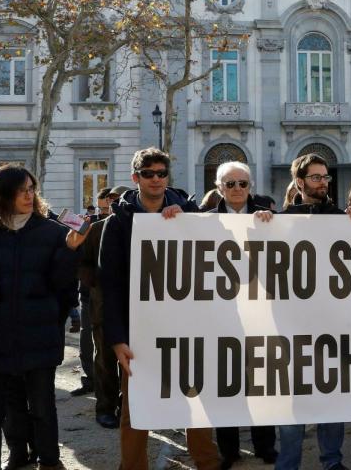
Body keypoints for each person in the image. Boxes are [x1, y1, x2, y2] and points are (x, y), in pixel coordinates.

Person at [99, 148, 221, 470]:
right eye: (148, 173)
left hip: (188, 330)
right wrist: (116, 339)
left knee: (197, 406)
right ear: (135, 177)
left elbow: (221, 255)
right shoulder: (117, 224)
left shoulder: (190, 214)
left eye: (161, 173)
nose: (156, 179)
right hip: (139, 334)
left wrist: (186, 225)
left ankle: (207, 464)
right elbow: (108, 287)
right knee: (136, 410)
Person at [0, 165, 87, 470]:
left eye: (31, 188)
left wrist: (70, 252)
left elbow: (63, 287)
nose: (29, 195)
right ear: (2, 194)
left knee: (42, 407)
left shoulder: (53, 231)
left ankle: (50, 462)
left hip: (39, 335)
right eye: (22, 189)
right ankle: (13, 458)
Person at [277, 153, 351, 470]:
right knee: (293, 398)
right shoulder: (281, 220)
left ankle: (332, 461)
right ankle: (288, 463)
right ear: (299, 181)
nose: (323, 183)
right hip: (293, 324)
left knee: (332, 395)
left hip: (333, 322)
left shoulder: (342, 218)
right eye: (315, 177)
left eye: (325, 177)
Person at [205, 161, 279, 467]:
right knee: (226, 385)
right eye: (230, 184)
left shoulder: (268, 216)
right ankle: (229, 450)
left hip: (260, 315)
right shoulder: (203, 219)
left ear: (251, 186)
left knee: (260, 383)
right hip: (221, 315)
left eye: (243, 184)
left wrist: (273, 221)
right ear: (219, 187)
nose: (237, 189)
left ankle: (264, 446)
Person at [78, 185, 130, 431]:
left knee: (133, 363)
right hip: (103, 305)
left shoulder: (140, 226)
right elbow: (83, 263)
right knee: (105, 361)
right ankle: (105, 408)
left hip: (134, 308)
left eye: (121, 198)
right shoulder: (96, 229)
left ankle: (128, 407)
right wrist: (98, 282)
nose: (116, 202)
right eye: (113, 199)